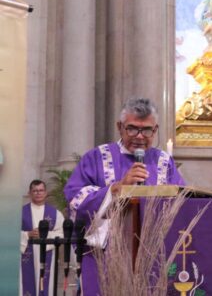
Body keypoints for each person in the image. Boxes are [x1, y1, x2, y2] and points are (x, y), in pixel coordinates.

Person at [64, 97, 185, 296]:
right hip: (105, 256)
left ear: (155, 131)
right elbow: (75, 198)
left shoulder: (164, 162)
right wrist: (117, 188)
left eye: (146, 130)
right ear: (120, 127)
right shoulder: (96, 157)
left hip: (153, 255)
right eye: (132, 128)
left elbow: (182, 200)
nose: (139, 136)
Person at [20, 179, 64, 296]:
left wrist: (45, 236)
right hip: (26, 254)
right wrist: (27, 234)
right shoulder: (20, 212)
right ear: (29, 193)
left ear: (46, 193)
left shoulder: (55, 214)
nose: (38, 193)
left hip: (47, 253)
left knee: (46, 287)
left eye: (41, 190)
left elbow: (62, 233)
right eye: (35, 191)